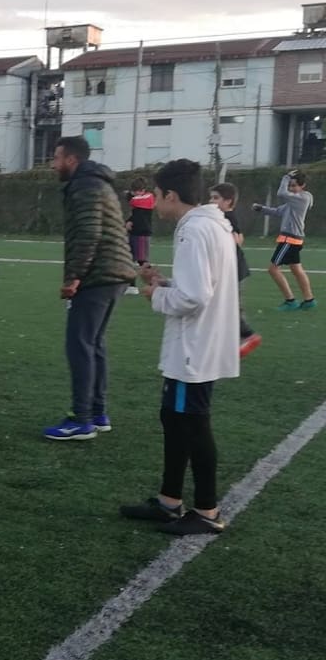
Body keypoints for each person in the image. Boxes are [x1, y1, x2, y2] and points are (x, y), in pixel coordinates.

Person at [121, 159, 238, 535]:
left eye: (157, 195)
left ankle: (207, 510)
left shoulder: (194, 230)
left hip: (194, 347)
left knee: (192, 424)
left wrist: (155, 293)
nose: (154, 203)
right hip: (200, 343)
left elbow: (195, 297)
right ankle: (170, 501)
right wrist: (165, 281)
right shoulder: (212, 224)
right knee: (174, 418)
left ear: (172, 195)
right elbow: (200, 285)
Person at [44, 135, 137, 441]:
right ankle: (97, 413)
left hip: (99, 275)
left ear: (71, 159)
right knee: (94, 344)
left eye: (56, 158)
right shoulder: (101, 183)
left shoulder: (84, 186)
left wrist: (73, 277)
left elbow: (88, 234)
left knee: (80, 344)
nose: (53, 164)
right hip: (115, 273)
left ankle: (81, 419)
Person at [209, 183, 262, 357]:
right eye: (211, 197)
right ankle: (234, 340)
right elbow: (240, 238)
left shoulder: (226, 217)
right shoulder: (225, 217)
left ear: (228, 201)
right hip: (232, 269)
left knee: (228, 307)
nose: (211, 201)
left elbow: (236, 239)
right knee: (228, 307)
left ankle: (248, 336)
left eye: (216, 198)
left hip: (234, 270)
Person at [253, 169, 315, 310]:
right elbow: (277, 211)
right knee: (297, 270)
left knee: (273, 269)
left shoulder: (302, 198)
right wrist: (260, 208)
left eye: (294, 185)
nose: (291, 188)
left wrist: (286, 177)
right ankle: (309, 300)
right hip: (292, 240)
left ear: (302, 186)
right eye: (290, 186)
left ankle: (290, 301)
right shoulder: (293, 201)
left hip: (289, 240)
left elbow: (281, 193)